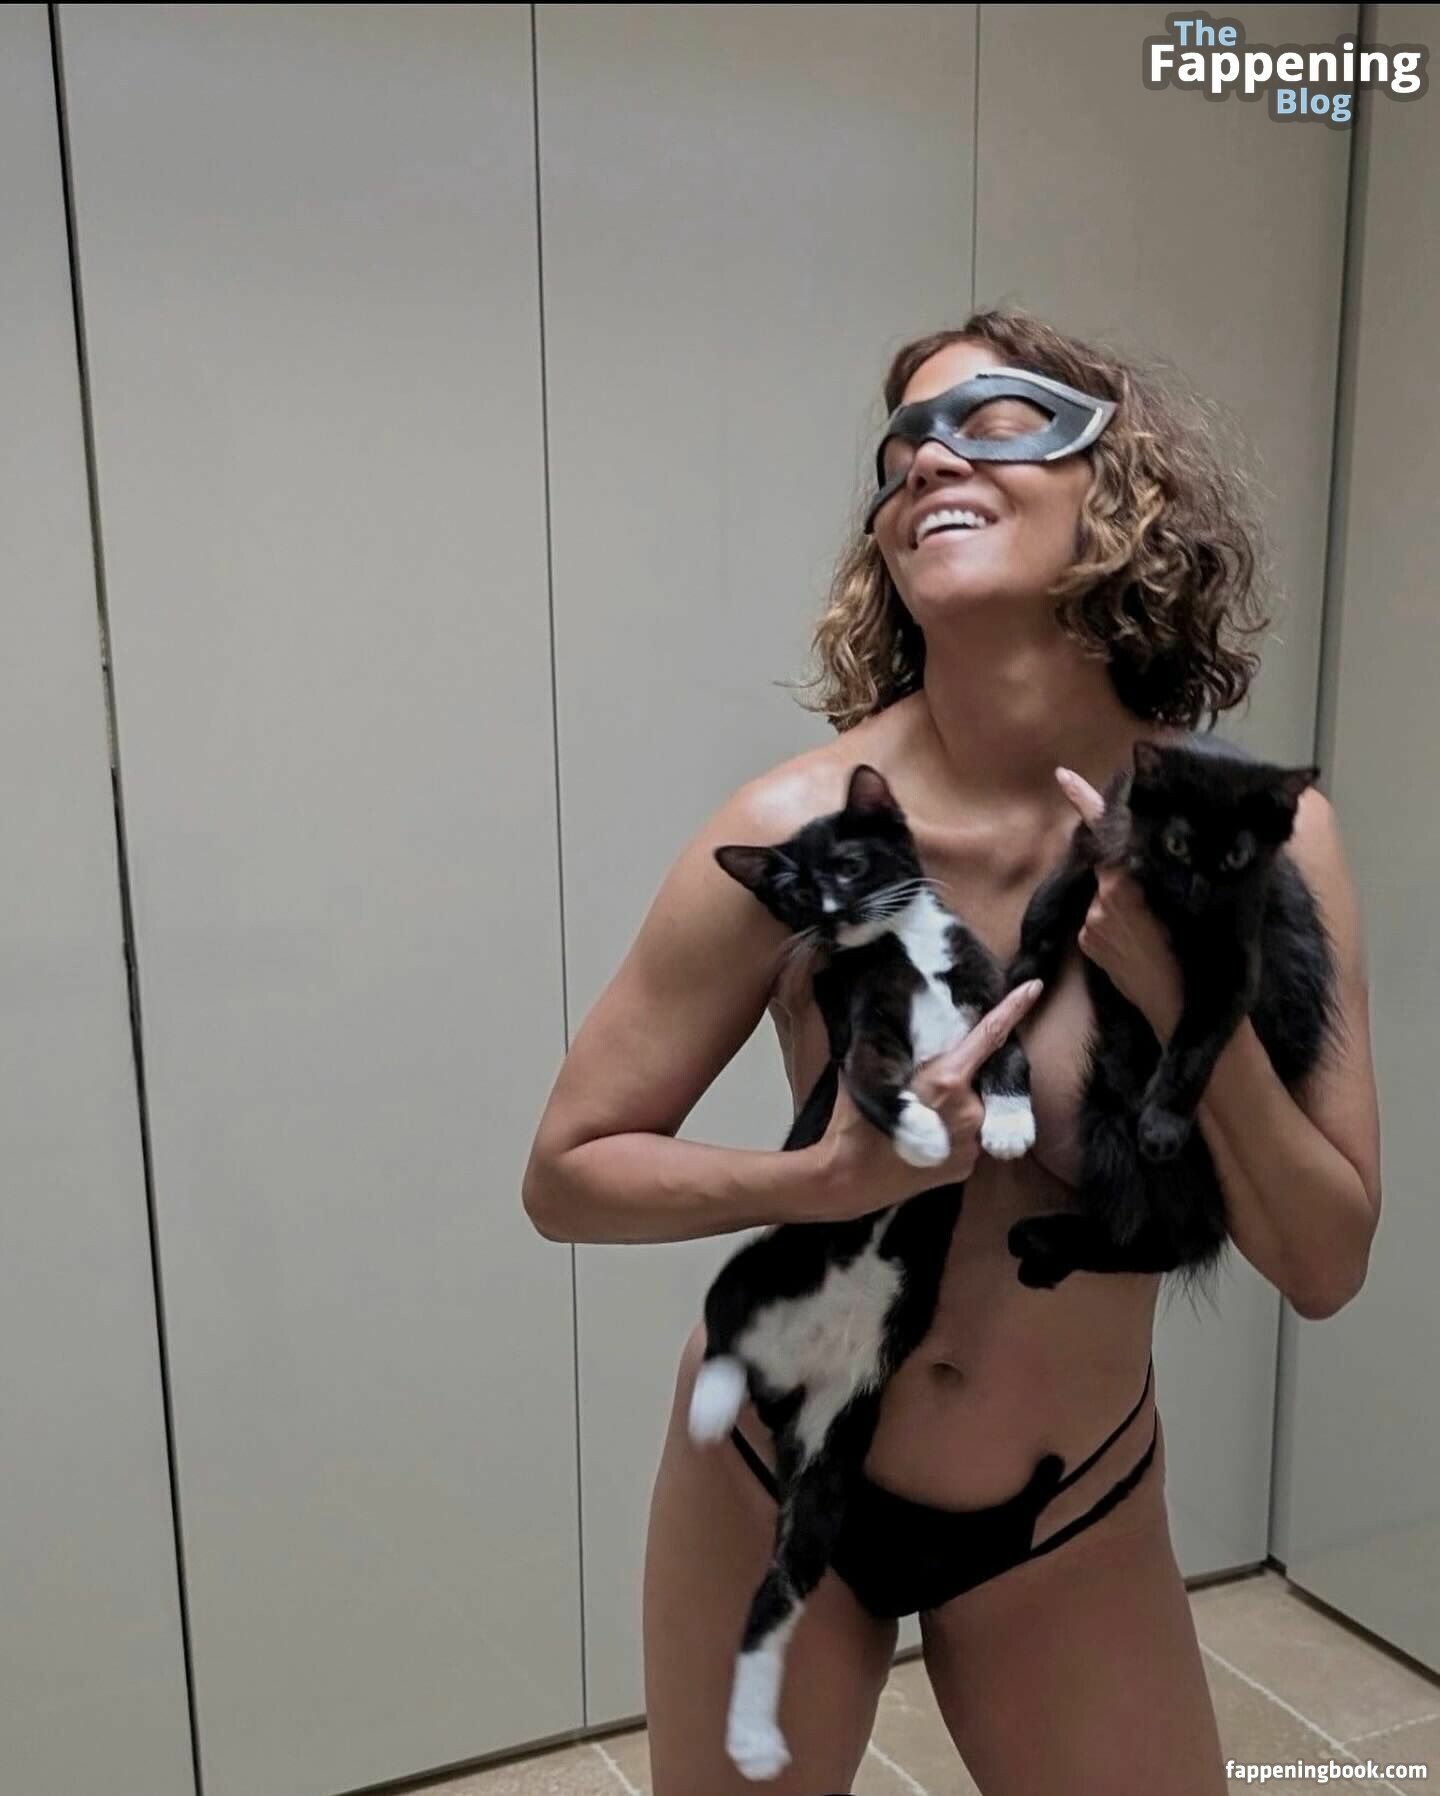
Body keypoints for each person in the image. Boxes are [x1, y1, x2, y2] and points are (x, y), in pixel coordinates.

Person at [521, 309, 1382, 1795]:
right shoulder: (795, 829)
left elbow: (1326, 1263)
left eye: (992, 422)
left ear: (1121, 486)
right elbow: (566, 1175)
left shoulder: (1261, 841)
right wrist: (822, 1182)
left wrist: (1194, 1002)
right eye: (903, 446)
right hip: (774, 1470)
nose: (927, 458)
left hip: (1071, 1505)